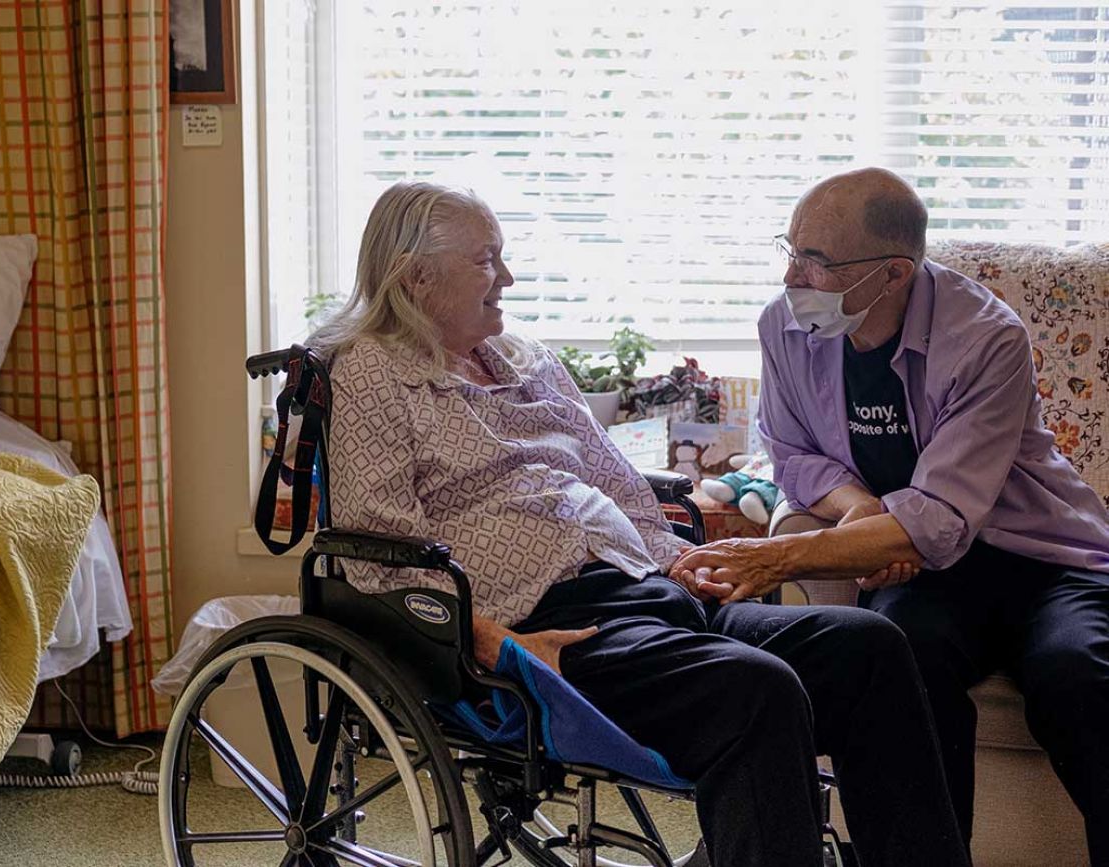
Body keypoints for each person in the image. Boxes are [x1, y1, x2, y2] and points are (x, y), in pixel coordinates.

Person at [312, 179, 969, 867]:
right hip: (549, 633)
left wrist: (681, 562)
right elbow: (381, 560)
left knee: (871, 647)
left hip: (650, 595)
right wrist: (495, 640)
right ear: (418, 274)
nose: (507, 276)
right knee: (754, 691)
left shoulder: (525, 359)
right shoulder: (372, 374)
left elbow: (615, 479)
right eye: (487, 260)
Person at [673, 167, 1109, 864]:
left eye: (814, 260)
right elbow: (792, 452)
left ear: (893, 273)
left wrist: (776, 558)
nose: (792, 277)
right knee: (895, 659)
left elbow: (937, 516)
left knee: (1074, 674)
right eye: (788, 250)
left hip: (1045, 559)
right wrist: (862, 513)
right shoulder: (783, 328)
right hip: (918, 569)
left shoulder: (986, 338)